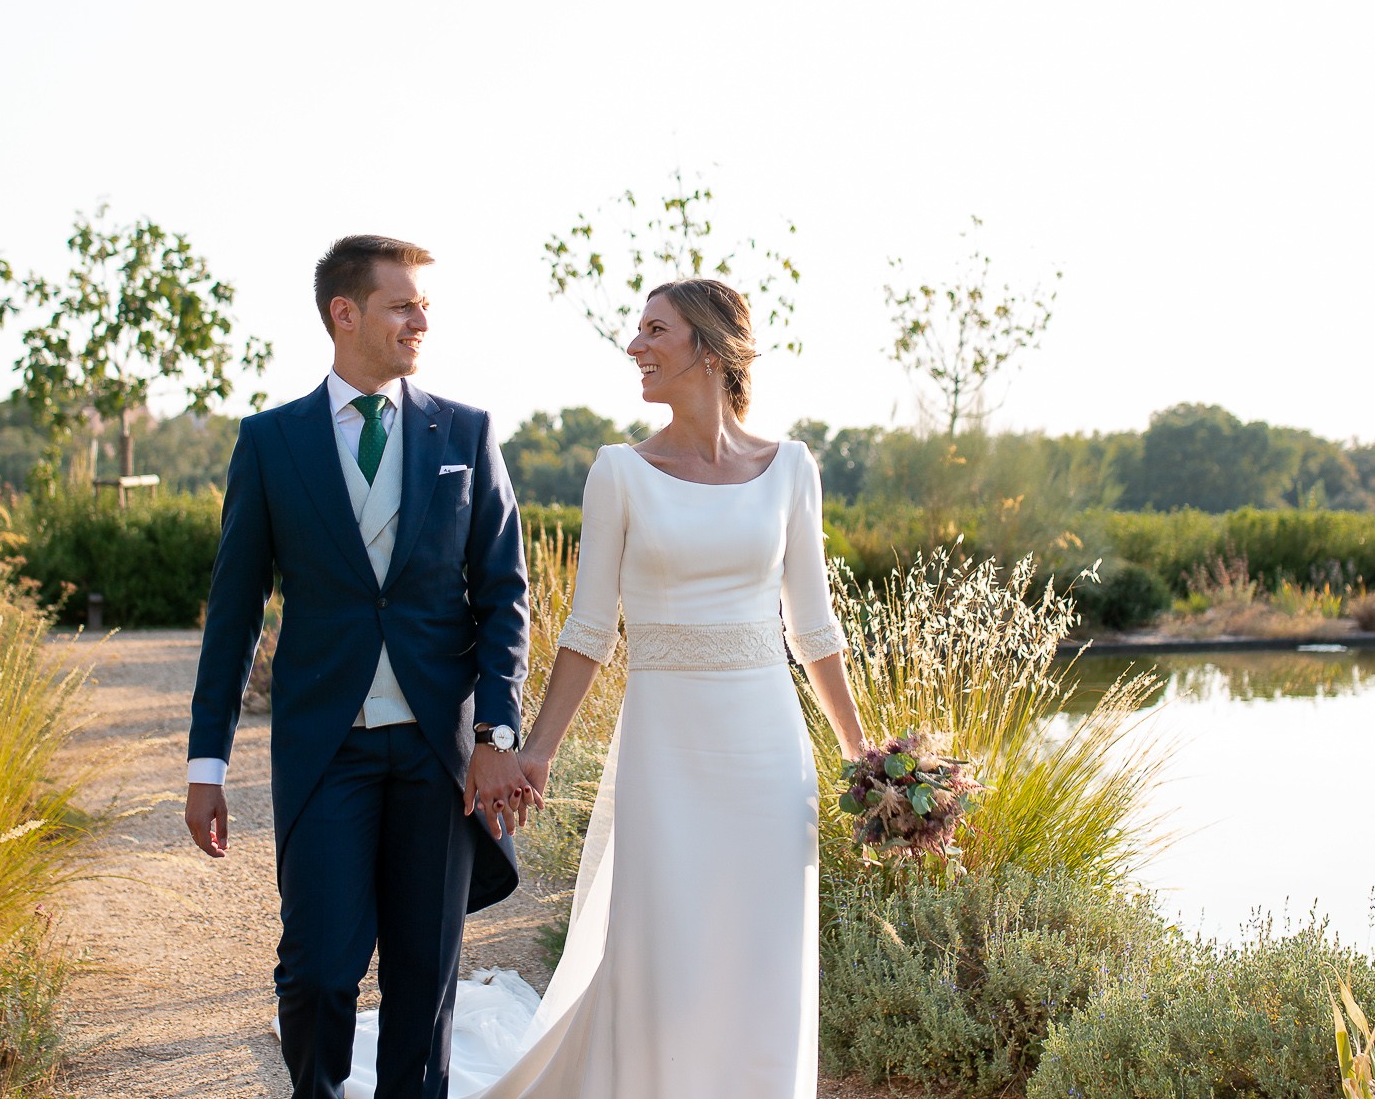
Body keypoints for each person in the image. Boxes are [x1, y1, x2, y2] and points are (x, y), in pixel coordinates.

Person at [457, 276, 871, 1098]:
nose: (635, 345)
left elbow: (814, 630)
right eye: (638, 330)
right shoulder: (619, 472)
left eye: (655, 330)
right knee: (664, 945)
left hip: (767, 749)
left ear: (710, 349)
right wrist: (537, 750)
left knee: (763, 948)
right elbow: (588, 631)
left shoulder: (792, 467)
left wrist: (866, 756)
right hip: (664, 746)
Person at [184, 234, 536, 1099]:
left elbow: (504, 595)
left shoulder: (466, 431)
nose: (422, 321)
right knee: (316, 970)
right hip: (327, 747)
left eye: (425, 305)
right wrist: (206, 763)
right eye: (402, 304)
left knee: (424, 979)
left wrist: (497, 733)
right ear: (345, 313)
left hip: (438, 752)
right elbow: (234, 614)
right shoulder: (271, 441)